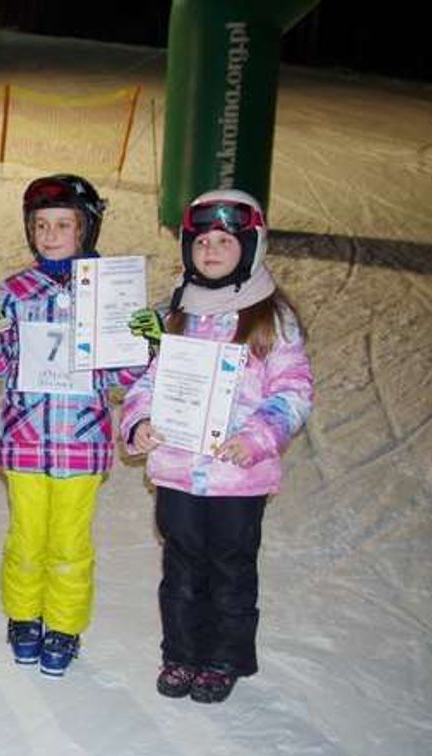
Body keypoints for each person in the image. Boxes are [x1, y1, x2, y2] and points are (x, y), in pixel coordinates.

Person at [122, 189, 313, 704]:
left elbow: (293, 391)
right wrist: (140, 421)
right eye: (202, 240)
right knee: (182, 569)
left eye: (225, 241)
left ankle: (225, 656)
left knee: (230, 568)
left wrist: (258, 437)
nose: (210, 250)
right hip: (179, 471)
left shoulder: (270, 318)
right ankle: (182, 653)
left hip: (238, 476)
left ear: (251, 248)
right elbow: (145, 382)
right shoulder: (176, 313)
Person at [0, 174, 140, 677]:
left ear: (85, 228)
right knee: (26, 538)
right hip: (25, 440)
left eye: (63, 224)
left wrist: (140, 342)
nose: (50, 234)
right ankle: (24, 617)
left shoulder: (108, 289)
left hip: (81, 441)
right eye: (41, 225)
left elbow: (121, 377)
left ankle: (64, 625)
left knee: (69, 543)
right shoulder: (14, 291)